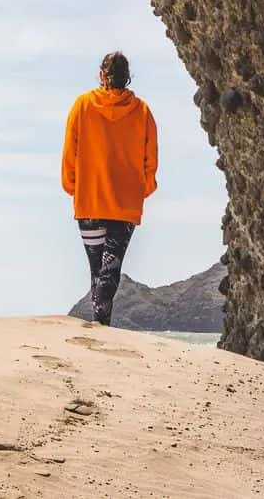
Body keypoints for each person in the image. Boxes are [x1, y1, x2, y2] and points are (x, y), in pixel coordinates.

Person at [61, 51, 158, 326]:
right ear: (127, 78)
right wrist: (141, 189)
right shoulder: (142, 111)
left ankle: (99, 327)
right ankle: (101, 326)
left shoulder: (82, 105)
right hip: (125, 204)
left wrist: (73, 187)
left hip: (90, 200)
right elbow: (151, 159)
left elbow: (70, 152)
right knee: (109, 270)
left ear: (101, 75)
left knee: (98, 270)